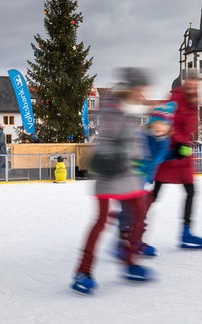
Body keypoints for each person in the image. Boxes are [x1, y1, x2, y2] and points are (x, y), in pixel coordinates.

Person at [71, 67, 153, 295]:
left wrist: (141, 158)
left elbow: (134, 141)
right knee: (101, 220)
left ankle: (129, 261)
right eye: (140, 90)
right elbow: (116, 137)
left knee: (139, 213)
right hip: (110, 172)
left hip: (127, 175)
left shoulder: (131, 109)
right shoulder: (112, 107)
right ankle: (83, 271)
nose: (142, 94)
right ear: (132, 88)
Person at [150, 69, 202, 249]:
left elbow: (190, 126)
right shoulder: (175, 99)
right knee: (154, 194)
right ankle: (132, 230)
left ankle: (186, 232)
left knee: (191, 191)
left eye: (196, 83)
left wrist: (185, 145)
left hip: (183, 155)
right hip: (170, 153)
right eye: (191, 82)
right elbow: (165, 123)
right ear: (186, 82)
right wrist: (177, 142)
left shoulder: (193, 101)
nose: (193, 85)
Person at [115, 102, 176, 258]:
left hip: (143, 179)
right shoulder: (143, 136)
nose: (159, 127)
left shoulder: (165, 141)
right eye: (156, 123)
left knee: (140, 212)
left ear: (169, 126)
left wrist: (175, 153)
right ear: (150, 123)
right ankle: (123, 242)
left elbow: (158, 158)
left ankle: (136, 240)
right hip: (130, 177)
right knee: (131, 211)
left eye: (163, 124)